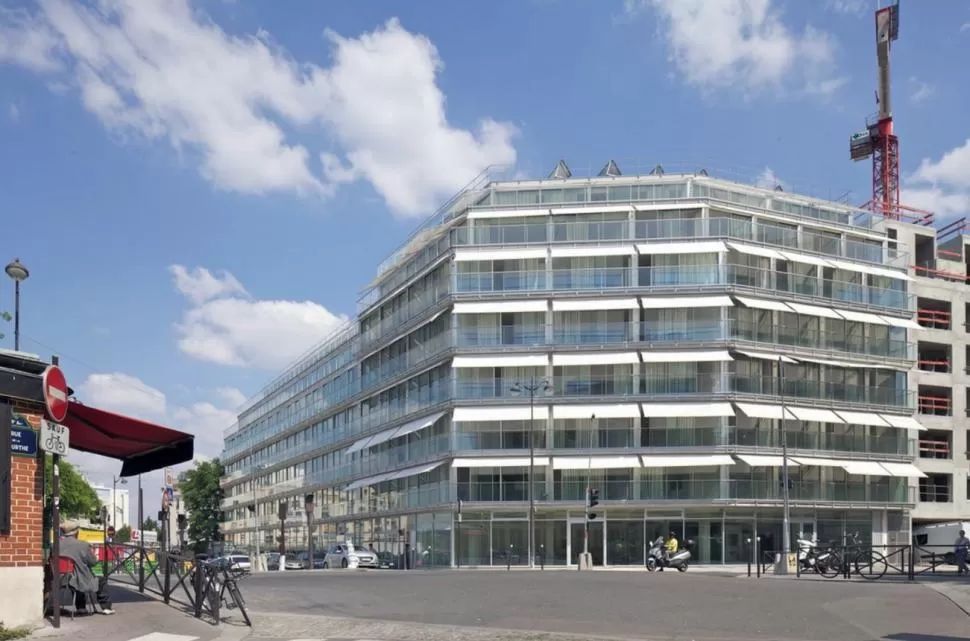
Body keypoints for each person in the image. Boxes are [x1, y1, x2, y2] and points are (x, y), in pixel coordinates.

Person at [59, 520, 114, 615]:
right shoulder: (83, 545)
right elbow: (93, 562)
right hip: (77, 579)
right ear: (77, 532)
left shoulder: (56, 545)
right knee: (100, 580)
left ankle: (81, 608)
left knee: (76, 576)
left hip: (60, 578)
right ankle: (106, 607)